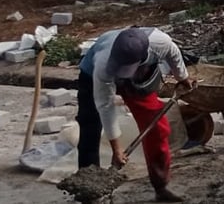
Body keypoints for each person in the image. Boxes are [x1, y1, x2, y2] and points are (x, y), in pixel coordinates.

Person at [76, 27, 195, 202]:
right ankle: (89, 193)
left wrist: (182, 77)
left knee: (157, 128)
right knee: (90, 129)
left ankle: (161, 186)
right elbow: (105, 106)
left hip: (137, 77)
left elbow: (173, 53)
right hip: (91, 75)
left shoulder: (160, 42)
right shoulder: (103, 64)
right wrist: (117, 149)